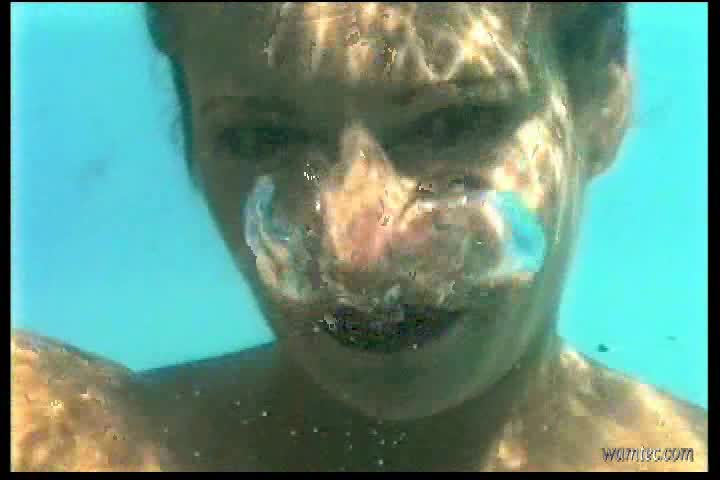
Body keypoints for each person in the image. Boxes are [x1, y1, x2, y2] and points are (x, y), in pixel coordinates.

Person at [11, 3, 707, 471]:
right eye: (263, 137)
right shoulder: (54, 435)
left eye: (453, 123)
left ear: (602, 101)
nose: (359, 254)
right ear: (193, 143)